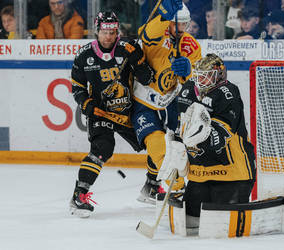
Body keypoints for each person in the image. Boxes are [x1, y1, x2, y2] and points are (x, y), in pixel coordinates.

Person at [69, 11, 154, 218]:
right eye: (105, 32)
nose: (109, 36)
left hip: (127, 112)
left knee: (154, 141)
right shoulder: (84, 55)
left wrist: (139, 59)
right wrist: (86, 104)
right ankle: (79, 195)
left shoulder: (127, 49)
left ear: (118, 31)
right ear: (97, 31)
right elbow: (77, 86)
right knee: (102, 149)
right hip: (101, 113)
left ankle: (152, 186)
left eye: (113, 32)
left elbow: (147, 78)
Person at [158, 53, 256, 228]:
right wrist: (177, 147)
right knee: (190, 222)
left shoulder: (228, 93)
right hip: (200, 175)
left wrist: (191, 141)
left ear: (219, 74)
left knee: (221, 224)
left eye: (207, 75)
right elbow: (182, 126)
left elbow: (219, 138)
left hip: (233, 173)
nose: (201, 80)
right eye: (199, 75)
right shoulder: (188, 90)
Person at [132, 1, 202, 204]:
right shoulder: (157, 35)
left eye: (185, 25)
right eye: (179, 24)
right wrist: (162, 16)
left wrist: (188, 73)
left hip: (171, 101)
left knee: (175, 145)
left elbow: (197, 81)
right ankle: (177, 186)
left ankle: (151, 186)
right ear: (170, 23)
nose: (183, 29)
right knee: (155, 142)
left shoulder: (190, 44)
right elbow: (147, 35)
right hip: (143, 100)